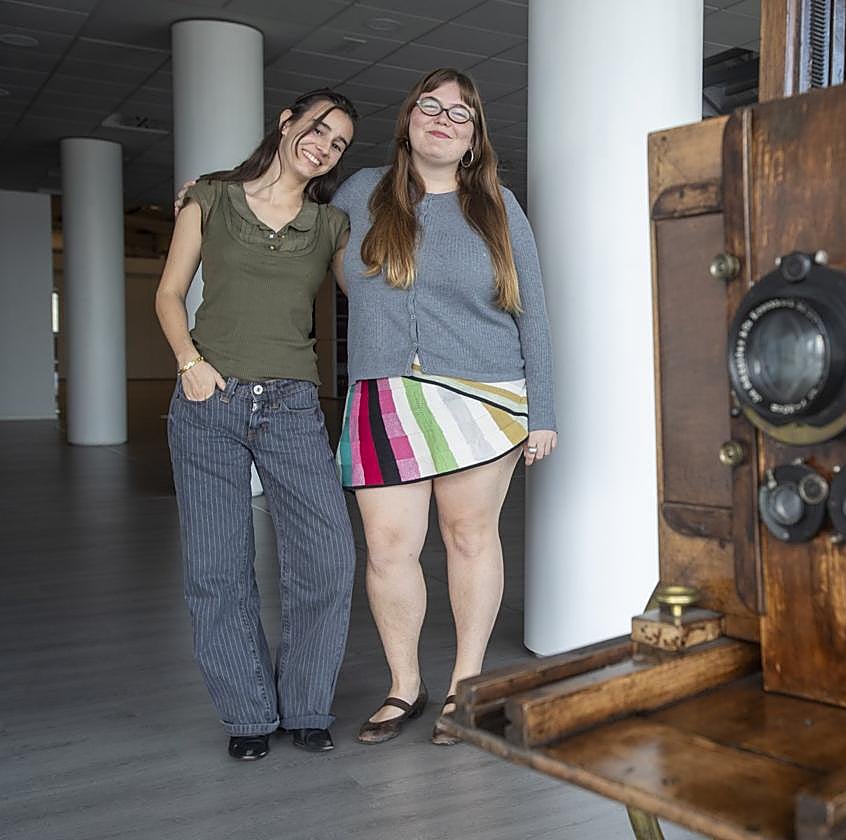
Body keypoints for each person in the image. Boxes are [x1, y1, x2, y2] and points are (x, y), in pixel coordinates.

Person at [331, 68, 556, 746]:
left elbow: (533, 313)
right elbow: (287, 223)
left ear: (473, 138)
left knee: (467, 537)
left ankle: (465, 684)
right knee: (389, 546)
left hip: (484, 395)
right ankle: (405, 687)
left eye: (460, 114)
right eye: (430, 105)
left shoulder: (496, 206)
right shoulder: (358, 194)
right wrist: (214, 201)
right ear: (408, 120)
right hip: (383, 391)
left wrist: (541, 411)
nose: (443, 118)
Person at [155, 90, 360, 761]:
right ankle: (247, 713)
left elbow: (374, 293)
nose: (324, 146)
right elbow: (169, 292)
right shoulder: (209, 199)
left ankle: (305, 704)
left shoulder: (331, 227)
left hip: (294, 405)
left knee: (327, 560)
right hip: (209, 398)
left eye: (337, 144)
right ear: (285, 121)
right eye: (318, 128)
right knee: (217, 568)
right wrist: (189, 362)